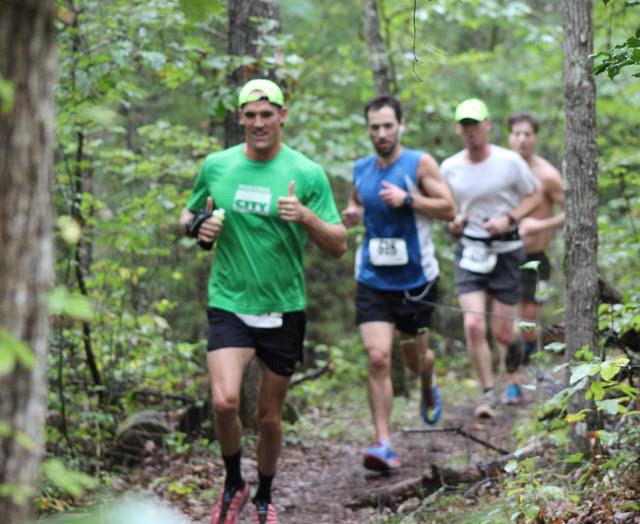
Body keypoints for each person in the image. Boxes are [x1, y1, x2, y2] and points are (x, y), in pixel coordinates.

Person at [180, 79, 347, 524]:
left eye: (266, 114)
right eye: (250, 115)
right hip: (230, 302)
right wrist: (199, 226)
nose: (258, 123)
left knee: (269, 418)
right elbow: (187, 213)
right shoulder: (218, 165)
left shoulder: (307, 173)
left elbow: (338, 244)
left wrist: (306, 216)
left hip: (283, 307)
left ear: (281, 116)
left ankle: (264, 496)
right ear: (240, 118)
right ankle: (234, 482)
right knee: (224, 403)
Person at [342, 95, 456, 471]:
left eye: (388, 125)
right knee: (377, 358)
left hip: (415, 280)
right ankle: (383, 442)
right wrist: (352, 213)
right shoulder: (361, 168)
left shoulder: (418, 163)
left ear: (400, 126)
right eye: (375, 127)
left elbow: (448, 208)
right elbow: (357, 203)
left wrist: (409, 198)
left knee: (415, 358)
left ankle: (427, 379)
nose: (381, 133)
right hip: (373, 278)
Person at [441, 98, 540, 417]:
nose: (471, 131)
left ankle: (514, 372)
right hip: (470, 250)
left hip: (507, 251)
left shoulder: (509, 162)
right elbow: (447, 209)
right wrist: (452, 222)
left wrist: (508, 220)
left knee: (502, 331)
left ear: (488, 126)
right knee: (472, 324)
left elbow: (534, 196)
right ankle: (487, 394)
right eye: (465, 125)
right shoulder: (450, 167)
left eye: (476, 124)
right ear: (459, 129)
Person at [508, 112, 564, 364]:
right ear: (509, 138)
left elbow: (572, 212)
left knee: (529, 317)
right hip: (504, 253)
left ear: (535, 138)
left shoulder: (548, 175)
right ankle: (513, 372)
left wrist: (540, 224)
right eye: (517, 134)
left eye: (527, 134)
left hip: (534, 255)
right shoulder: (501, 168)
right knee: (504, 318)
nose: (521, 139)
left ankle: (527, 357)